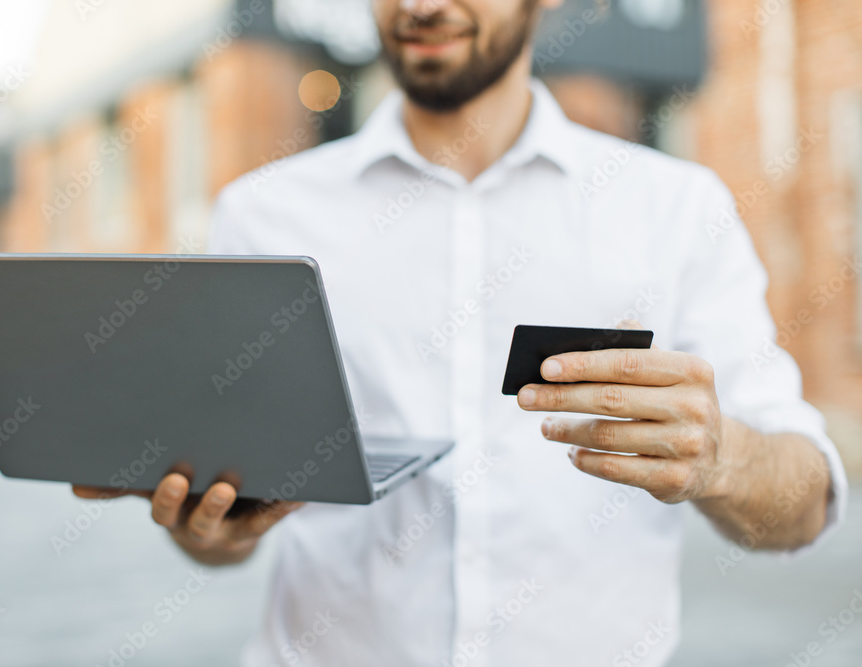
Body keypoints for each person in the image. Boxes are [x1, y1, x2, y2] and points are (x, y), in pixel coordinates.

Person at [75, 0, 849, 664]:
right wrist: (212, 531)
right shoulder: (266, 214)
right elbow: (226, 516)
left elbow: (806, 503)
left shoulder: (673, 210)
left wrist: (724, 456)